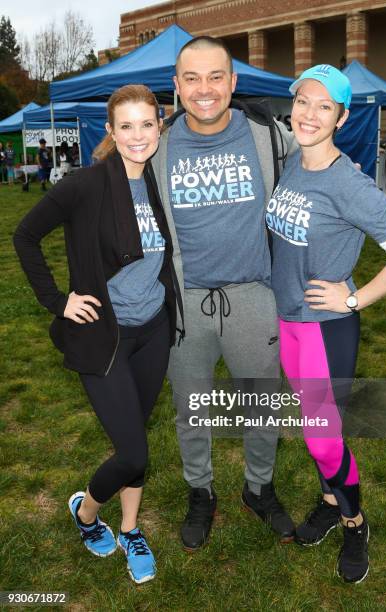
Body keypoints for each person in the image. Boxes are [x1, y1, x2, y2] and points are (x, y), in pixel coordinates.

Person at [266, 64, 386, 583]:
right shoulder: (293, 163)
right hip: (289, 321)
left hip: (323, 328)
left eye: (324, 106)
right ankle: (330, 499)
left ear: (341, 115)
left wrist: (354, 298)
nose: (309, 114)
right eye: (303, 102)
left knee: (322, 438)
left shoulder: (348, 182)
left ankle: (354, 521)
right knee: (321, 433)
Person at [14, 84, 180, 584]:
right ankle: (87, 513)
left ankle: (130, 528)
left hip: (154, 330)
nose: (137, 135)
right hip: (104, 337)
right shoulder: (85, 184)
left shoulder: (157, 180)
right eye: (125, 126)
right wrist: (58, 300)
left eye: (146, 124)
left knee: (137, 438)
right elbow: (24, 235)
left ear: (159, 126)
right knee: (134, 452)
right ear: (110, 131)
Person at [152, 36, 299, 551]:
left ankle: (259, 487)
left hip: (255, 293)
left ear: (233, 83)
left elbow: (321, 167)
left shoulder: (267, 135)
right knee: (190, 406)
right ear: (176, 87)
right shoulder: (158, 145)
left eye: (216, 76)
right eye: (191, 78)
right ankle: (200, 491)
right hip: (186, 302)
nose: (204, 89)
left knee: (263, 403)